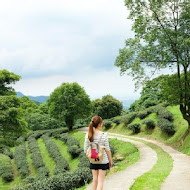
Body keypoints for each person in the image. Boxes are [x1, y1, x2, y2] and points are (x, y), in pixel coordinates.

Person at [84, 115, 113, 190]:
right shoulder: (104, 135)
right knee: (100, 181)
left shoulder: (88, 135)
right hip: (103, 161)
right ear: (99, 124)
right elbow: (107, 149)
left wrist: (92, 155)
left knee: (95, 180)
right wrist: (110, 160)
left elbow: (85, 149)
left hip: (93, 161)